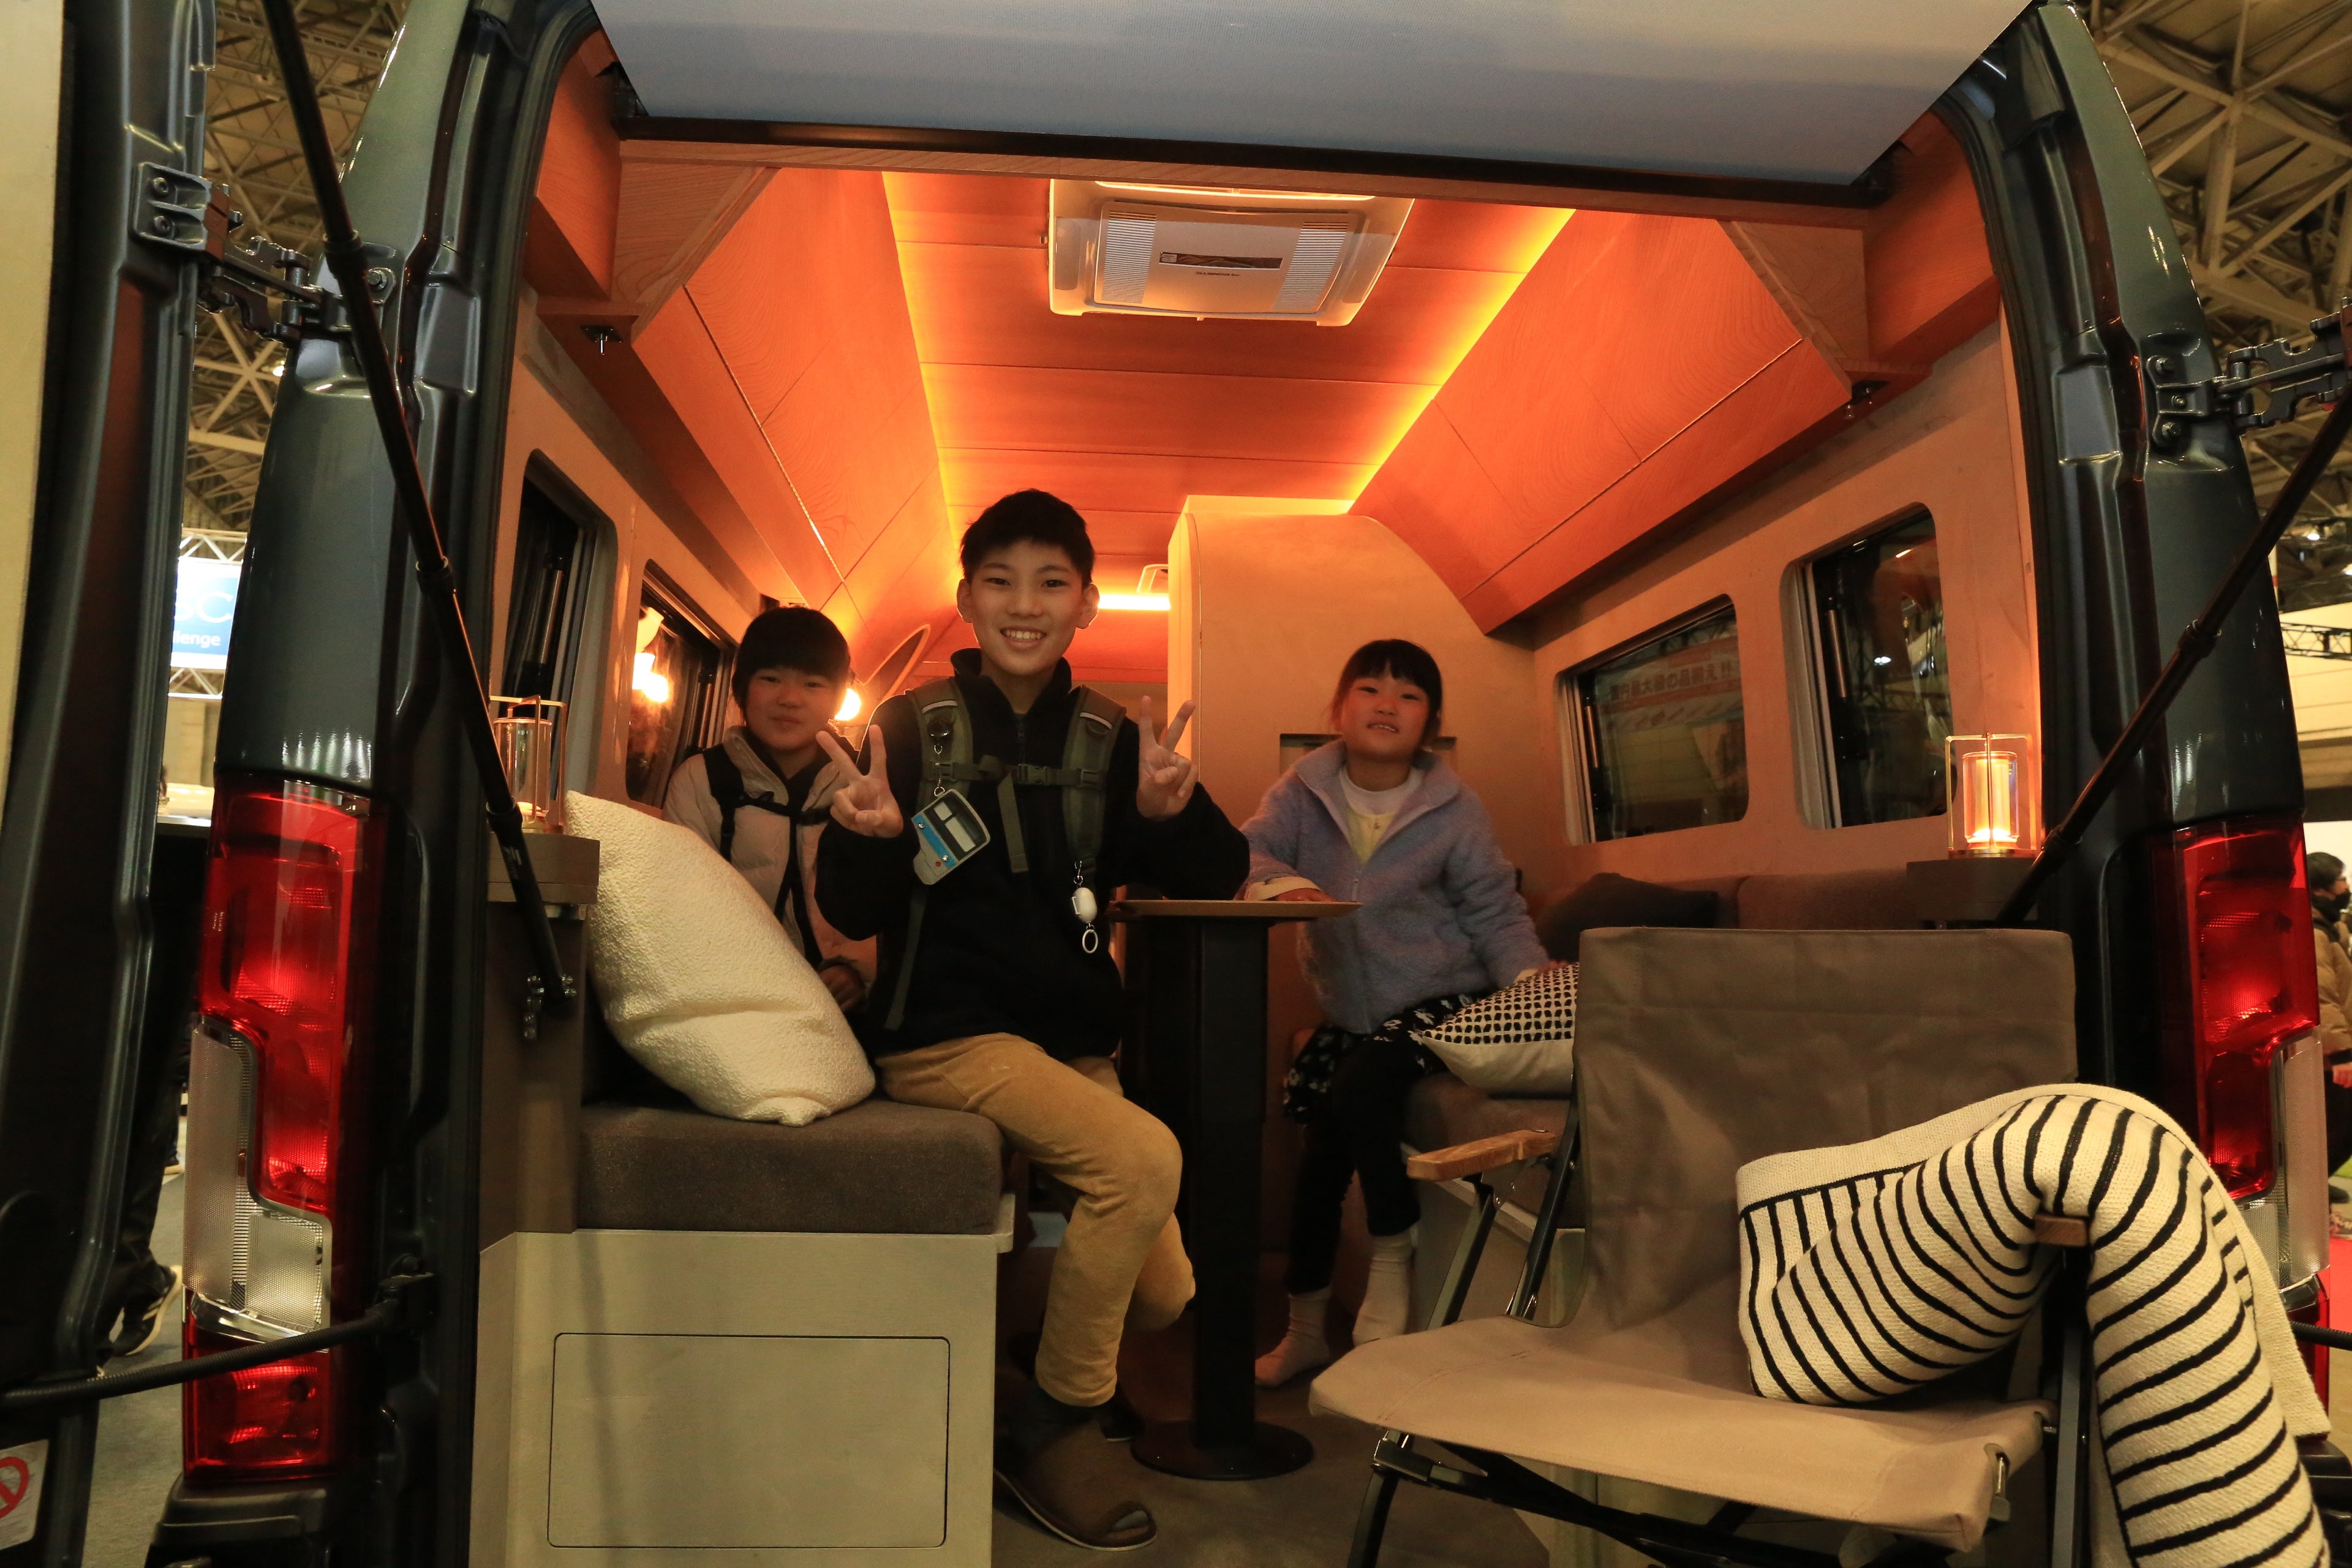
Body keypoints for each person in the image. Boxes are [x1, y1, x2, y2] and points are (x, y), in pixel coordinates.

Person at [815, 489, 1249, 1552]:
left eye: (1051, 582)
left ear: (1087, 603)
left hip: (1068, 1050)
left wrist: (1170, 816)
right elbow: (853, 911)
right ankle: (1055, 1425)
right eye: (1000, 581)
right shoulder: (906, 729)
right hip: (944, 1040)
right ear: (966, 599)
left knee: (1166, 1294)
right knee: (1142, 1162)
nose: (1024, 603)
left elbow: (1221, 875)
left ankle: (1024, 1370)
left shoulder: (1114, 738)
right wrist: (870, 834)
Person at [1241, 639, 1549, 1389]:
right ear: (1338, 710)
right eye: (1371, 689)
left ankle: (1392, 1251)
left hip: (1445, 1000)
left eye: (1409, 695)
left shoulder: (1455, 807)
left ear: (1430, 724)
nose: (1388, 705)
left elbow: (1494, 911)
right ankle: (1305, 1331)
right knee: (1319, 1153)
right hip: (1354, 1011)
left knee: (1362, 1085)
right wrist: (1285, 886)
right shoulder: (1301, 791)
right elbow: (1246, 854)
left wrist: (1533, 990)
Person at [665, 605, 873, 1013]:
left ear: (838, 699)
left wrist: (858, 972)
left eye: (813, 684)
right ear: (741, 688)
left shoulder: (863, 786)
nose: (789, 699)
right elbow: (679, 901)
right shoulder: (701, 780)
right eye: (771, 679)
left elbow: (890, 899)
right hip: (728, 998)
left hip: (835, 1005)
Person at [2310, 850, 2352, 1215]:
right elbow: (2323, 997)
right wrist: (2340, 1055)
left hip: (2339, 1045)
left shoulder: (2332, 927)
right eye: (2340, 879)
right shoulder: (2314, 932)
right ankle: (2309, 1195)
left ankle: (2315, 1185)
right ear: (2321, 888)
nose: (2346, 885)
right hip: (2330, 1054)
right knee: (2338, 1125)